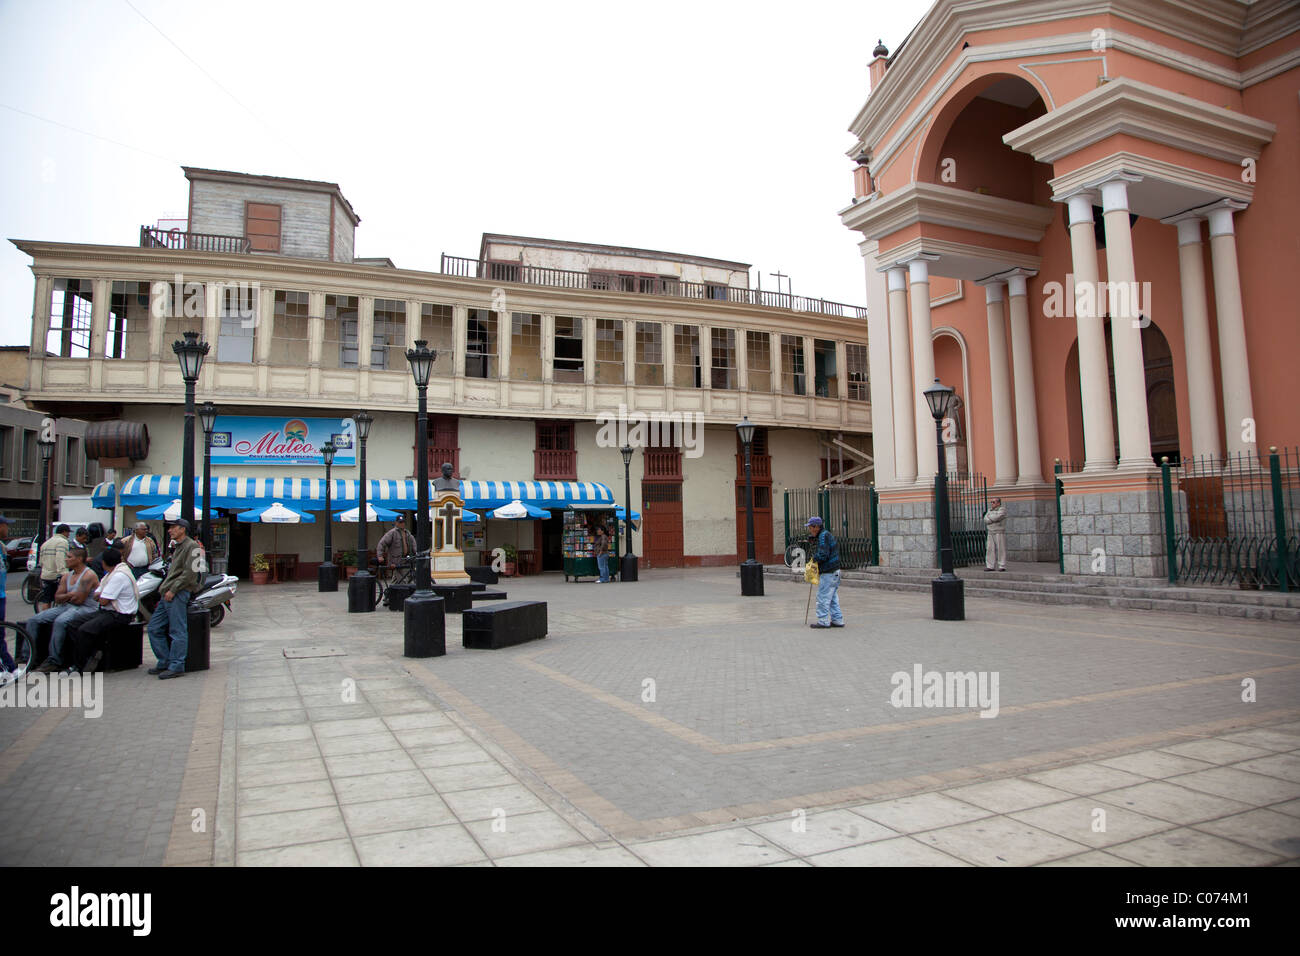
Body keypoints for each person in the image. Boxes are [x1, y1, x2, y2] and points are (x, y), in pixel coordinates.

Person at [147, 519, 203, 680]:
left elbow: (190, 573)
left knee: (177, 630)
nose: (170, 530)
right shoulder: (177, 547)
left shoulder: (192, 546)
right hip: (167, 592)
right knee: (154, 628)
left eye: (173, 527)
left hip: (178, 592)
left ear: (182, 529)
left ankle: (177, 665)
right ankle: (165, 661)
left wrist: (173, 589)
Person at [68, 547, 138, 674]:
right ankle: (92, 651)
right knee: (73, 623)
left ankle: (80, 665)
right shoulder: (111, 575)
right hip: (107, 611)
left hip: (119, 614)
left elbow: (103, 600)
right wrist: (101, 596)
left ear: (104, 563)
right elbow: (98, 594)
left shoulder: (119, 576)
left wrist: (101, 597)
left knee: (85, 630)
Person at [30, 546, 100, 673]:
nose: (66, 559)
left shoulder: (88, 575)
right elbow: (57, 598)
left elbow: (79, 600)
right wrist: (70, 595)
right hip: (67, 606)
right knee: (34, 620)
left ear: (79, 559)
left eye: (69, 557)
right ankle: (27, 657)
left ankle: (54, 660)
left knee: (60, 621)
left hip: (85, 608)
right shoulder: (67, 576)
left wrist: (65, 596)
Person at [806, 516, 844, 629]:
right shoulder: (825, 535)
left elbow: (823, 554)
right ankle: (837, 620)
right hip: (835, 571)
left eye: (810, 527)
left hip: (829, 571)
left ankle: (823, 621)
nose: (809, 530)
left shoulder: (823, 536)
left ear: (816, 527)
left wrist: (814, 559)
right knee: (832, 597)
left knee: (822, 597)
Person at [35, 524, 73, 611]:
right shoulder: (62, 542)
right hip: (56, 575)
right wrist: (64, 573)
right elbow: (60, 558)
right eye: (68, 532)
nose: (68, 535)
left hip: (45, 575)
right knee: (61, 598)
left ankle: (44, 618)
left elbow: (41, 561)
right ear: (64, 532)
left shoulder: (46, 543)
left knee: (46, 600)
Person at [984, 497, 1008, 572]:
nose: (992, 503)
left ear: (998, 503)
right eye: (991, 502)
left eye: (993, 502)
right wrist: (991, 518)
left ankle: (1002, 565)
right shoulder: (989, 510)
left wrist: (990, 518)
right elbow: (985, 518)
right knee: (989, 549)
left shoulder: (1002, 510)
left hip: (999, 532)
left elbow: (998, 517)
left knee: (1001, 549)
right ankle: (990, 566)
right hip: (990, 532)